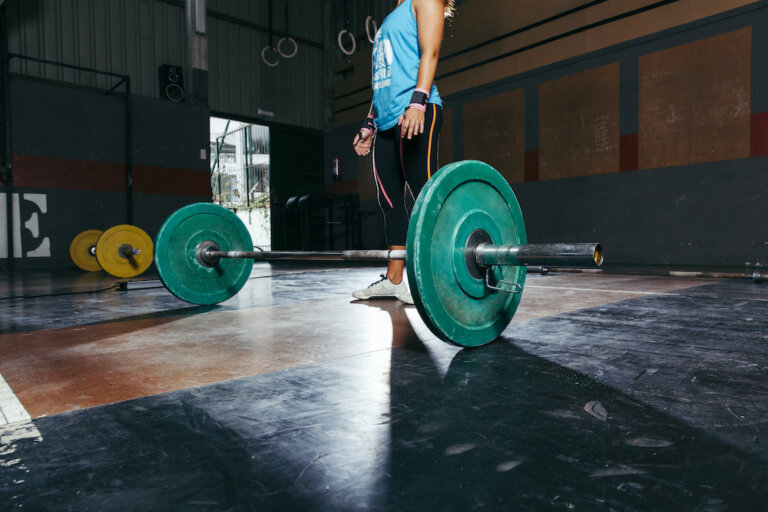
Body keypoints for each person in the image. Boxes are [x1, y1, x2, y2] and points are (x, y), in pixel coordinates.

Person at [352, 0, 454, 304]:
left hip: (415, 111)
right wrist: (369, 123)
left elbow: (430, 52)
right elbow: (384, 78)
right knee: (389, 201)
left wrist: (418, 102)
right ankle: (395, 279)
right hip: (385, 122)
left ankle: (447, 272)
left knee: (425, 195)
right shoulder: (391, 16)